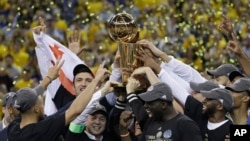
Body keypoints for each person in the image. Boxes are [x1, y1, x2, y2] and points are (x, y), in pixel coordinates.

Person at [7, 59, 110, 141]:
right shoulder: (40, 131)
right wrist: (96, 81)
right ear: (37, 109)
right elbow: (75, 110)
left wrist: (48, 79)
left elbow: (26, 98)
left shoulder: (14, 127)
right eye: (41, 104)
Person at [123, 80, 202, 141]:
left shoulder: (186, 125)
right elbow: (140, 113)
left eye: (150, 103)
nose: (145, 106)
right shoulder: (151, 122)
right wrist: (123, 130)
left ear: (163, 105)